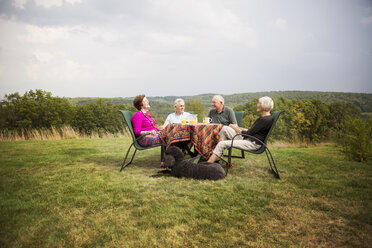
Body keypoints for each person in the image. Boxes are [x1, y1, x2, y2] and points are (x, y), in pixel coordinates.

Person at [207, 96, 274, 163]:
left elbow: (247, 133)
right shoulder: (266, 118)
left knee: (221, 144)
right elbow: (251, 131)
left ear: (263, 105)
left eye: (259, 103)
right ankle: (217, 157)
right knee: (225, 128)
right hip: (250, 139)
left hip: (252, 143)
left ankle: (208, 164)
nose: (257, 105)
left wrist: (234, 128)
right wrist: (237, 128)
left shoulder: (264, 120)